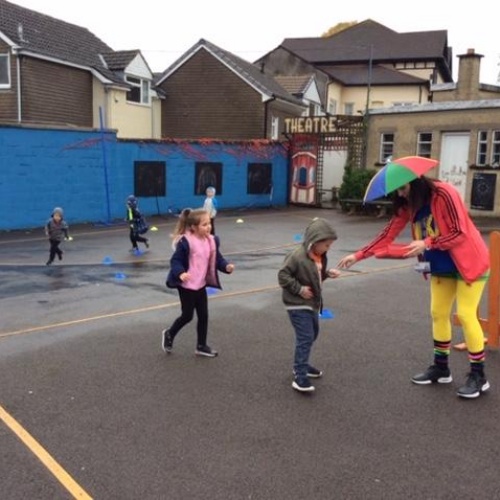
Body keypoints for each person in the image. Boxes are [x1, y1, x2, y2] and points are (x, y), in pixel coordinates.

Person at [337, 177, 490, 399]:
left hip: (469, 261)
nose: (400, 194)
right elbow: (387, 234)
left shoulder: (444, 193)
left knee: (466, 315)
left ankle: (479, 376)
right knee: (438, 314)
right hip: (440, 265)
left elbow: (460, 231)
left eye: (403, 188)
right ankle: (441, 368)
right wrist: (358, 255)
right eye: (397, 191)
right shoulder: (409, 204)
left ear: (415, 183)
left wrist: (427, 243)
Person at [278, 217, 341, 393]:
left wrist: (327, 274)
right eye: (326, 245)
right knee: (305, 337)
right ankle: (300, 375)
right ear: (315, 241)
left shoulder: (320, 256)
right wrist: (299, 289)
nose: (329, 248)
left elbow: (315, 275)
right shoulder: (297, 256)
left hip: (311, 303)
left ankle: (302, 364)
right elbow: (283, 275)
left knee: (313, 334)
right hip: (297, 304)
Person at [162, 208, 234, 357]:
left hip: (200, 285)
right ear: (193, 227)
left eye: (209, 223)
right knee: (187, 316)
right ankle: (170, 333)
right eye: (204, 224)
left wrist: (226, 267)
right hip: (187, 286)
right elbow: (175, 261)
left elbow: (217, 259)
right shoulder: (186, 241)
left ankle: (201, 346)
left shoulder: (211, 241)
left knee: (203, 315)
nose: (208, 227)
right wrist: (181, 273)